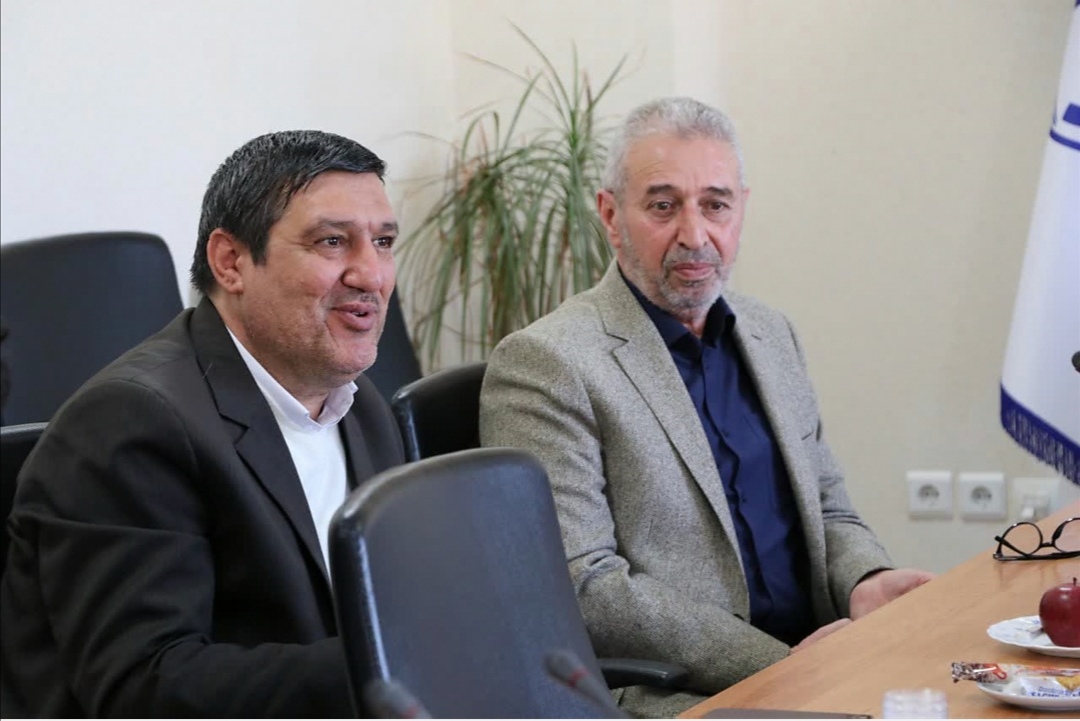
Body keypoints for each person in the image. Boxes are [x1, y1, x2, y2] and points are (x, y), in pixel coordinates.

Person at [479, 97, 933, 717]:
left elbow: (827, 507)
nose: (695, 236)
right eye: (663, 206)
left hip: (824, 660)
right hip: (685, 692)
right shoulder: (547, 363)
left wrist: (866, 581)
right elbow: (586, 586)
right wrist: (782, 664)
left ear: (741, 208)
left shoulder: (772, 334)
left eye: (715, 205)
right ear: (610, 215)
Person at [0, 130, 405, 717]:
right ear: (230, 262)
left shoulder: (358, 402)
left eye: (384, 242)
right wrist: (395, 662)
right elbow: (144, 686)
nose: (372, 275)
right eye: (332, 241)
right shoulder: (131, 422)